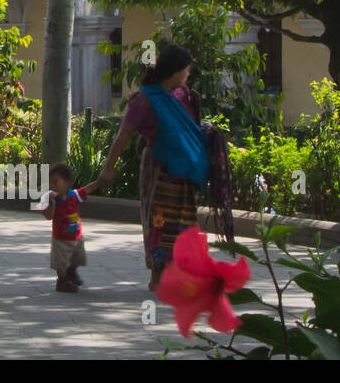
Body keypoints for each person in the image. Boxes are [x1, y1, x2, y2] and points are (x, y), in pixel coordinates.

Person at [90, 43, 234, 292]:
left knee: (184, 223)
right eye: (186, 69)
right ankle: (158, 275)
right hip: (158, 171)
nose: (188, 74)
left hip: (183, 173)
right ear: (176, 71)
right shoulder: (144, 99)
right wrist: (108, 169)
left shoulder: (185, 97)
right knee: (160, 222)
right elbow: (123, 136)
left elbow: (185, 129)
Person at [39, 164, 88, 293]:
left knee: (79, 257)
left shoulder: (73, 195)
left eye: (56, 182)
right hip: (60, 238)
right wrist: (52, 204)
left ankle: (71, 272)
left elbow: (87, 190)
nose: (53, 186)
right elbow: (48, 217)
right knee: (60, 262)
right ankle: (62, 281)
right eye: (50, 183)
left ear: (67, 183)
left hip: (76, 236)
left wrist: (100, 181)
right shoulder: (48, 199)